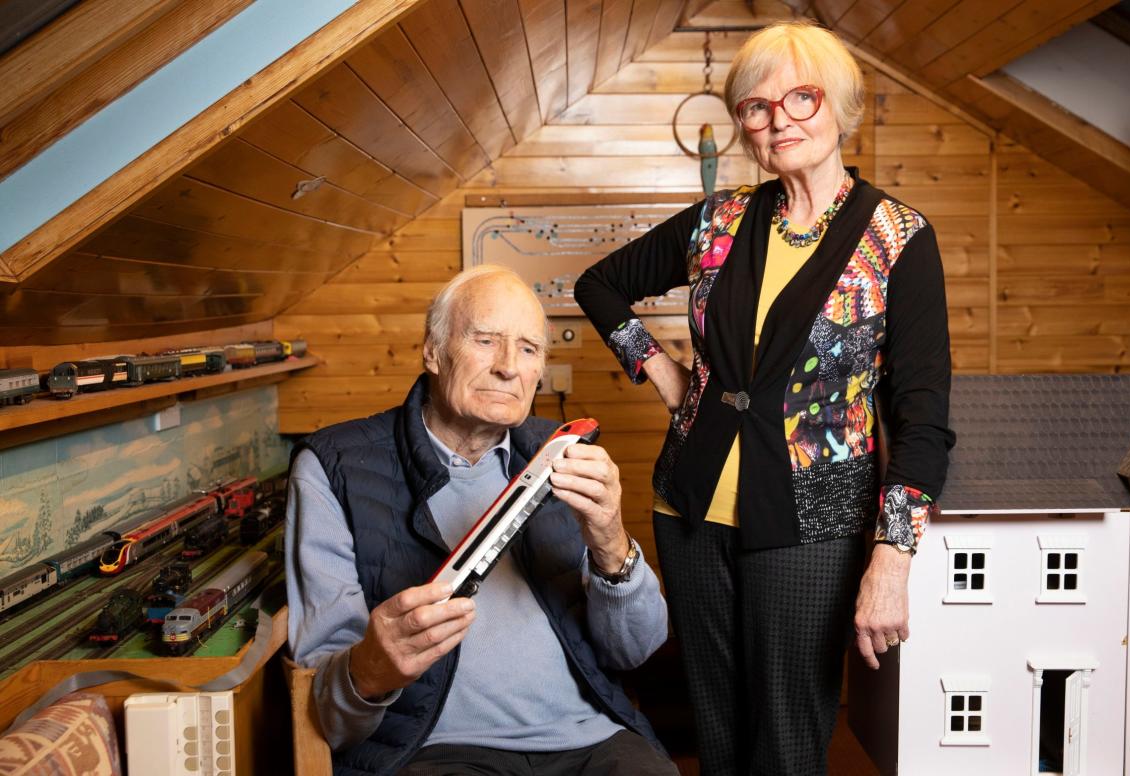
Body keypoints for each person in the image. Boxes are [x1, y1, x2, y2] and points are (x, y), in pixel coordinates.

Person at [574, 21, 955, 776]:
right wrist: (666, 377)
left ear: (840, 108)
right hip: (688, 512)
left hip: (813, 525)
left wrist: (892, 560)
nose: (778, 118)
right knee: (717, 735)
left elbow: (922, 420)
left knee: (784, 742)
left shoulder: (897, 238)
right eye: (755, 106)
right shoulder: (716, 221)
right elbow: (600, 285)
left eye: (800, 97)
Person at [286, 265, 676, 776]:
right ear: (432, 351)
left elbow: (635, 651)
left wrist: (610, 542)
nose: (508, 367)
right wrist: (371, 668)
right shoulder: (333, 466)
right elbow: (327, 710)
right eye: (486, 340)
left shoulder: (561, 453)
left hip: (591, 742)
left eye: (529, 349)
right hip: (434, 750)